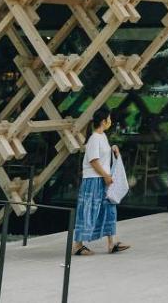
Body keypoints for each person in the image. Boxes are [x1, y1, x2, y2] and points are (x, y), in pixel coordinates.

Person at [73, 109, 129, 257]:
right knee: (89, 211)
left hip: (103, 179)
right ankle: (77, 245)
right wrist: (105, 176)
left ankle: (112, 243)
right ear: (103, 121)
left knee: (109, 209)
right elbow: (93, 161)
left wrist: (113, 149)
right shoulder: (94, 138)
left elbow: (101, 156)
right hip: (93, 180)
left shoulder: (102, 136)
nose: (110, 121)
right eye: (109, 119)